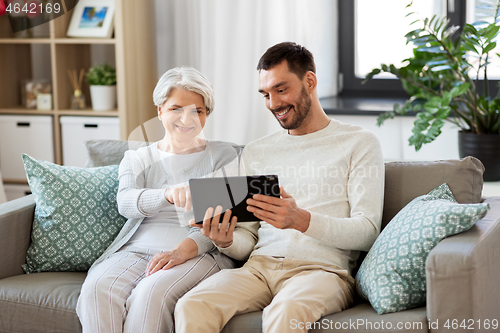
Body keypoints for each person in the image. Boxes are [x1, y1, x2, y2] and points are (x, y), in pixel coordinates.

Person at [174, 42, 384, 333]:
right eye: (266, 94)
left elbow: (367, 230)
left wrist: (301, 220)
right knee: (191, 304)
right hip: (258, 268)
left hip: (321, 272)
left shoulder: (359, 143)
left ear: (309, 81)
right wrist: (226, 241)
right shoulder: (258, 151)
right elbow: (247, 239)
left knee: (285, 312)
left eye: (281, 90)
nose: (273, 104)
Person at [76, 67, 256, 333]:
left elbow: (225, 222)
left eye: (198, 110)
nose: (188, 118)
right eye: (176, 108)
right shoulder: (137, 157)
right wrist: (167, 194)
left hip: (197, 251)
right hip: (135, 248)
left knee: (150, 295)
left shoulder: (224, 156)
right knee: (96, 289)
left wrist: (183, 250)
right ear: (160, 109)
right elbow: (125, 202)